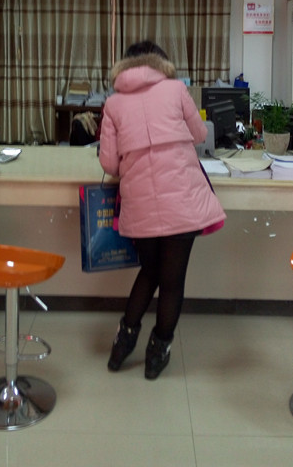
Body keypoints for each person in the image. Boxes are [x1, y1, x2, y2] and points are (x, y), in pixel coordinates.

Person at [99, 41, 226, 379]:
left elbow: (109, 163)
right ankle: (157, 353)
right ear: (160, 64)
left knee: (150, 272)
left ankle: (122, 345)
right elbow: (199, 133)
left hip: (140, 204)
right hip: (182, 202)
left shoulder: (113, 103)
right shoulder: (176, 89)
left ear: (126, 66)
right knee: (172, 281)